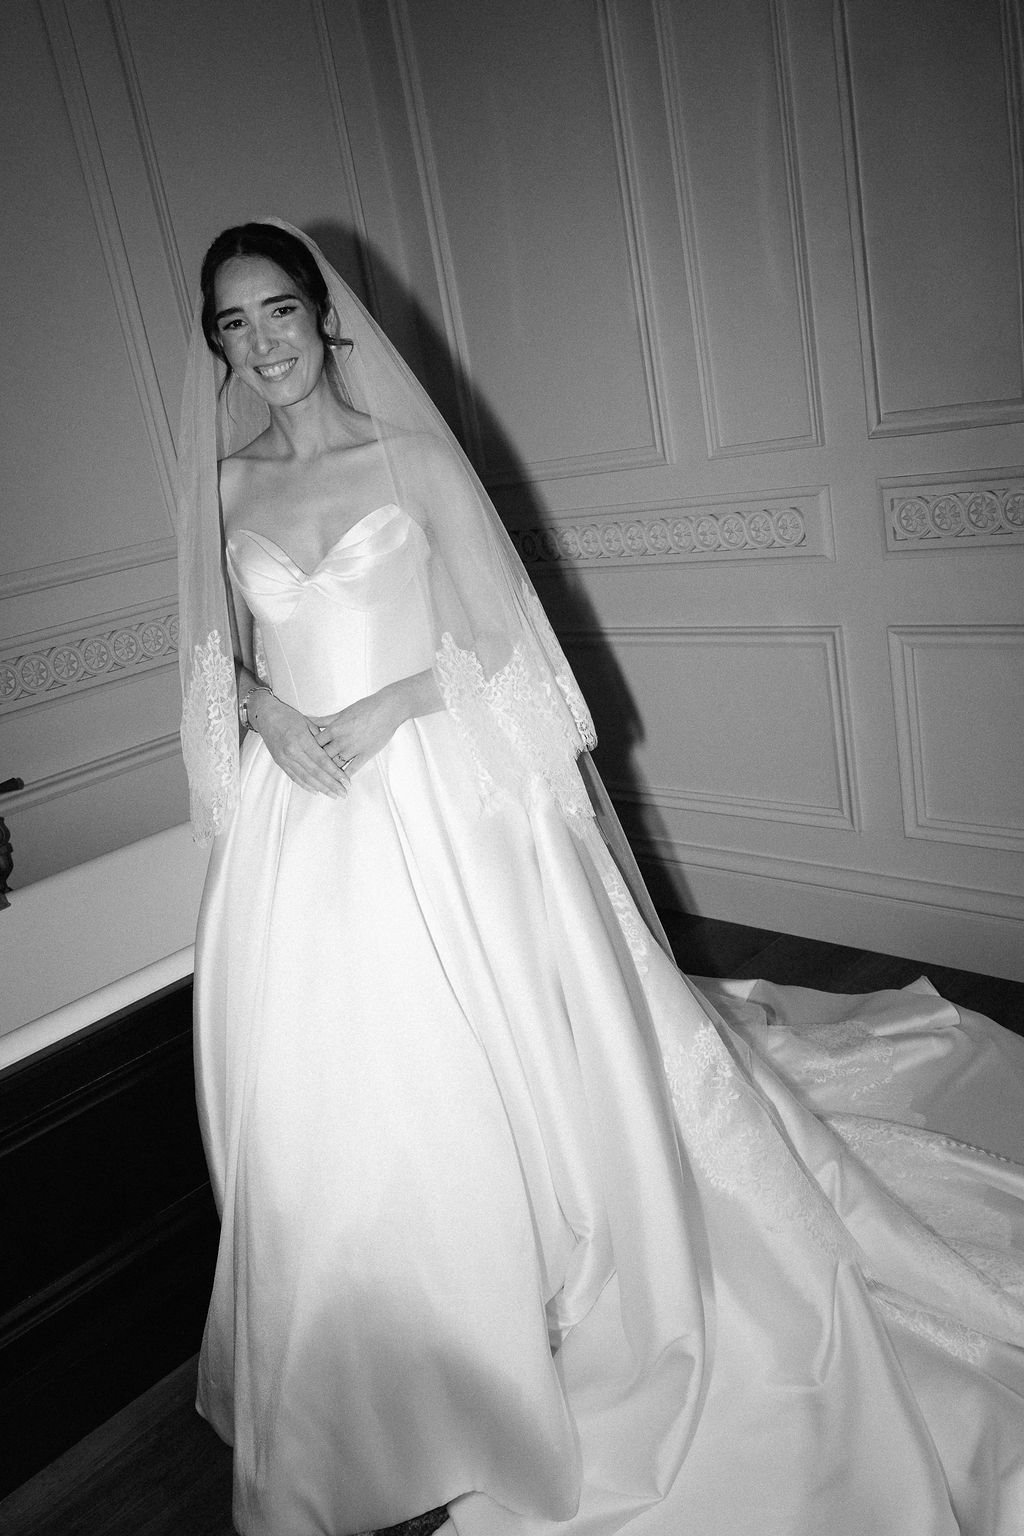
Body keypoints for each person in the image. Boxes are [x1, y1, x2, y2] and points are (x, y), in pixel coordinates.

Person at [176, 219, 1024, 1536]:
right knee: (326, 1090)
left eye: (276, 311)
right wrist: (265, 713)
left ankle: (528, 1318)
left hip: (437, 792)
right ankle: (375, 1365)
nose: (261, 345)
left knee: (492, 1062)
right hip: (305, 823)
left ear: (321, 314)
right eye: (231, 325)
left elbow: (513, 648)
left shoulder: (408, 460)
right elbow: (212, 651)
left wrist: (397, 701)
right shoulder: (227, 487)